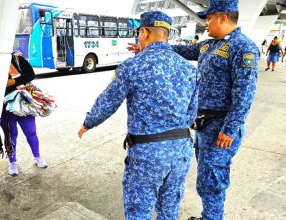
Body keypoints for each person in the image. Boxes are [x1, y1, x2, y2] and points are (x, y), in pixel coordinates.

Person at [128, 0, 260, 219]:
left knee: (213, 180)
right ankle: (208, 216)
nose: (206, 23)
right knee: (205, 177)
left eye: (209, 18)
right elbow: (184, 50)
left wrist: (230, 129)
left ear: (223, 17)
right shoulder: (210, 45)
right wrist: (153, 45)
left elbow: (244, 93)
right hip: (204, 125)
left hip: (221, 127)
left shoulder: (243, 47)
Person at [78, 11, 199, 220]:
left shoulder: (133, 66)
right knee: (169, 210)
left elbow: (108, 101)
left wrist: (88, 123)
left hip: (147, 153)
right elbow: (192, 112)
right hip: (181, 150)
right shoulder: (189, 69)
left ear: (144, 32)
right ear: (166, 34)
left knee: (139, 212)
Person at [1, 52, 48, 176]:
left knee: (31, 131)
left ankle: (37, 156)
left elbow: (30, 75)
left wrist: (11, 82)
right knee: (10, 134)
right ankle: (12, 162)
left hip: (22, 101)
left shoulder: (16, 58)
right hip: (4, 104)